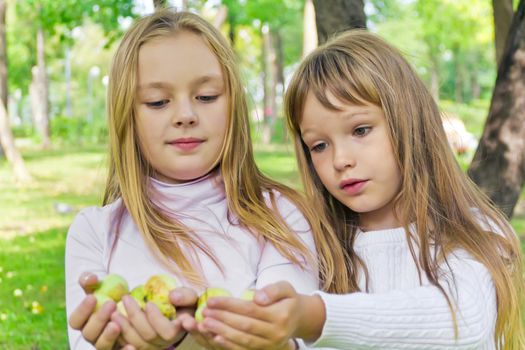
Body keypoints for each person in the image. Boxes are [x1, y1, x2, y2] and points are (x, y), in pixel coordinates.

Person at [187, 30, 525, 349]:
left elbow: (466, 321)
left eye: (360, 130)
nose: (340, 160)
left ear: (409, 120)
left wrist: (317, 317)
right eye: (319, 146)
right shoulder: (320, 250)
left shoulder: (474, 232)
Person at [65, 9, 349, 350]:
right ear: (127, 114)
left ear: (233, 105)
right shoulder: (94, 232)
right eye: (157, 102)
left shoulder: (280, 216)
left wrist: (194, 340)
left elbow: (292, 337)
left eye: (206, 97)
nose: (185, 115)